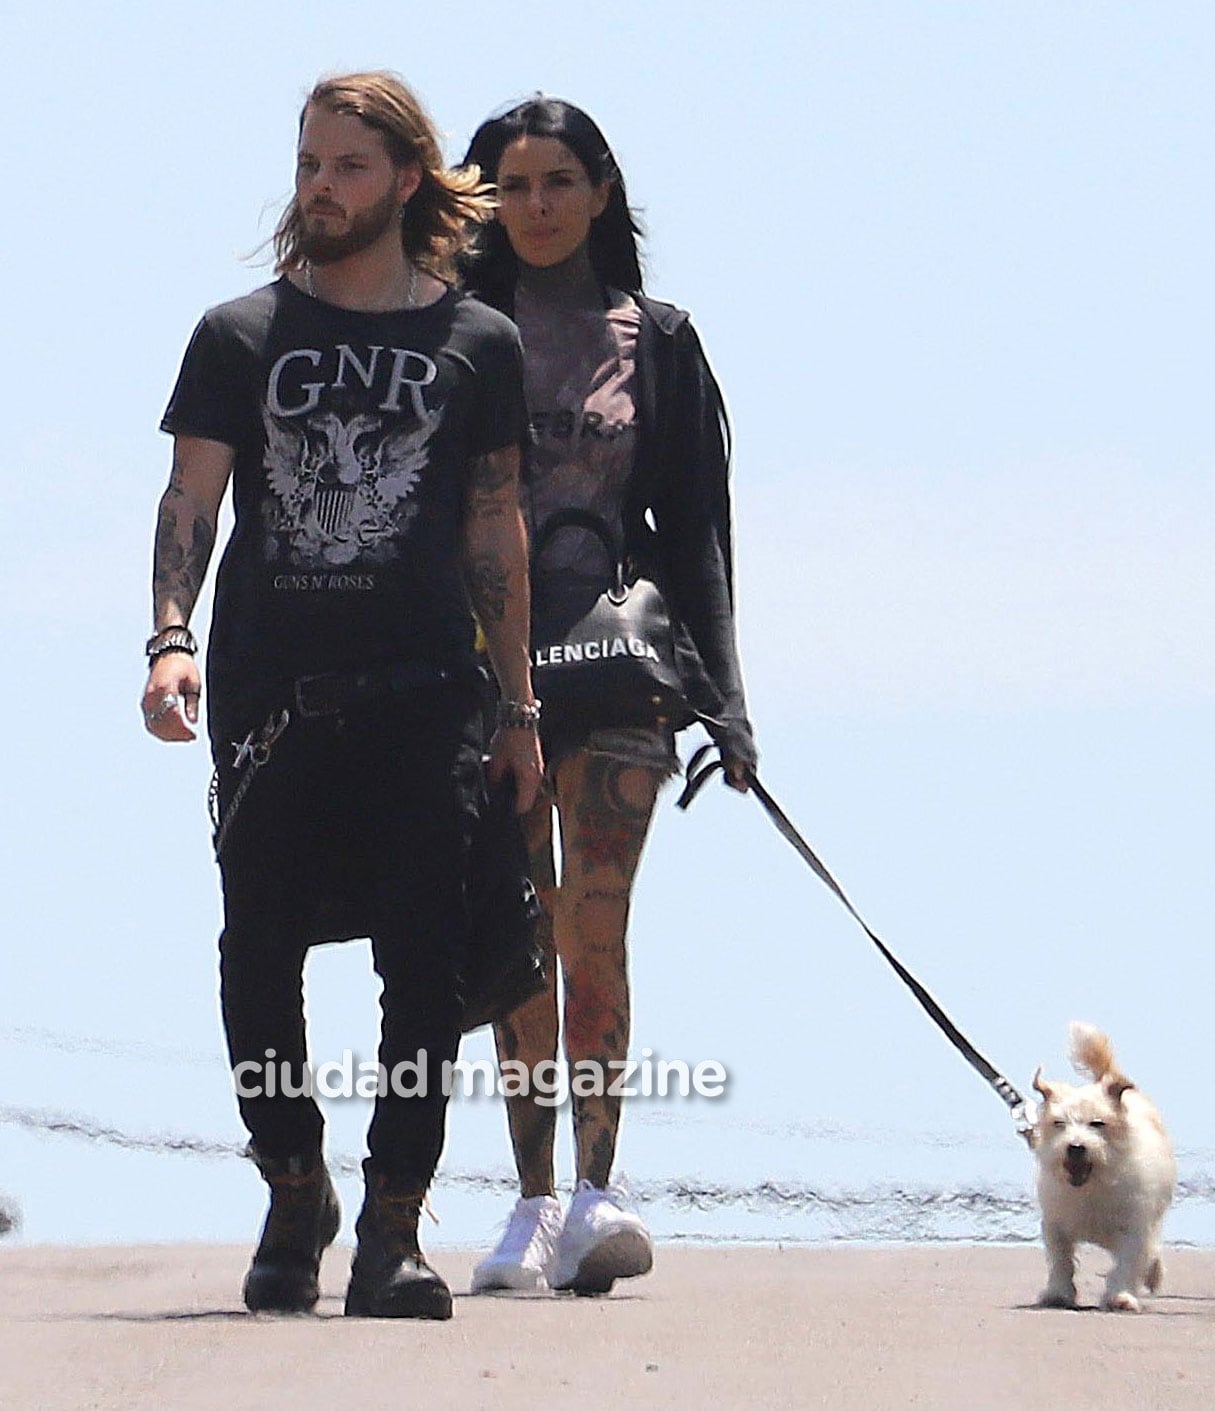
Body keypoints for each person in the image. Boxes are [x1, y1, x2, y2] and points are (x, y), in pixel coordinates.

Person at [141, 71, 542, 1320]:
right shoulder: (239, 333)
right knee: (256, 957)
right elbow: (191, 500)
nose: (320, 187)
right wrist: (168, 636)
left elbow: (495, 526)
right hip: (275, 698)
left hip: (429, 693)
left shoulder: (478, 342)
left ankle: (392, 1226)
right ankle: (292, 1182)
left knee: (423, 967)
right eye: (310, 164)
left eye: (349, 168)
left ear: (406, 180)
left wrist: (521, 709)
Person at [458, 99, 757, 1295]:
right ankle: (528, 1201)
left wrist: (726, 701)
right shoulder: (453, 333)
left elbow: (697, 533)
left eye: (557, 181)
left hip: (621, 665)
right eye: (512, 184)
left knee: (594, 923)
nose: (535, 205)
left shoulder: (660, 339)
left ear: (598, 193)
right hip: (484, 678)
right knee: (515, 934)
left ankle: (596, 1190)